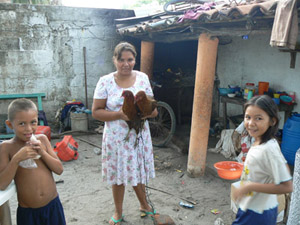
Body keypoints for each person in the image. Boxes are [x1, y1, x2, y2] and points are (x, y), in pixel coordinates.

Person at [92, 42, 158, 225]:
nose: (126, 64)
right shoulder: (105, 81)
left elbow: (154, 110)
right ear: (114, 60)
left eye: (130, 59)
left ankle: (144, 205)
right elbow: (96, 111)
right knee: (118, 176)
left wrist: (146, 111)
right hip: (116, 138)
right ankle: (118, 211)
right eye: (121, 60)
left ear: (135, 60)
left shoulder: (143, 78)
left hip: (139, 136)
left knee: (137, 172)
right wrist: (119, 115)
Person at [0, 98, 66, 225]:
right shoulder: (6, 147)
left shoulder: (42, 139)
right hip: (28, 213)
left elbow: (59, 169)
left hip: (53, 206)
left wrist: (42, 152)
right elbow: (2, 184)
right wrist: (16, 159)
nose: (28, 129)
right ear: (9, 124)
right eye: (22, 124)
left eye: (33, 122)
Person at [232, 95, 293, 225]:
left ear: (272, 121)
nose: (250, 123)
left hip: (258, 212)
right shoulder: (258, 141)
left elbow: (287, 186)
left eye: (258, 118)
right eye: (248, 117)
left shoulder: (269, 149)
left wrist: (249, 186)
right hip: (250, 205)